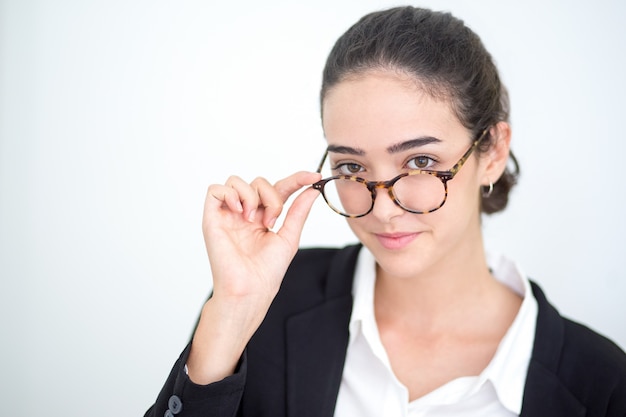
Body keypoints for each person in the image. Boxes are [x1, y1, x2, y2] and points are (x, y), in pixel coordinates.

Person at [145, 6, 626, 417]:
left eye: (420, 161)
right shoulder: (265, 309)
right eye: (352, 167)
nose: (383, 206)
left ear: (493, 152)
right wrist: (231, 316)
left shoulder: (602, 384)